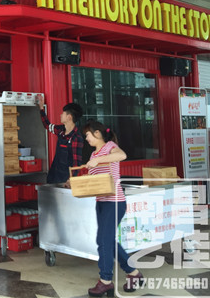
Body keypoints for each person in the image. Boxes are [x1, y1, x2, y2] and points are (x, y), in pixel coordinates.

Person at [80, 120, 143, 296]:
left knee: (103, 241)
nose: (86, 138)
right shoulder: (93, 155)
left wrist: (99, 160)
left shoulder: (109, 147)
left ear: (97, 133)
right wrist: (76, 182)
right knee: (107, 240)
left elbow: (122, 155)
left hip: (115, 202)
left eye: (87, 135)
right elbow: (95, 181)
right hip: (101, 202)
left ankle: (105, 281)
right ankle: (133, 273)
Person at [37, 95, 84, 183]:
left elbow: (77, 163)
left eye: (63, 113)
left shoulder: (76, 138)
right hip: (53, 175)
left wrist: (71, 180)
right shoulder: (61, 130)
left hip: (66, 180)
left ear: (69, 117)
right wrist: (41, 108)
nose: (61, 115)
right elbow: (47, 125)